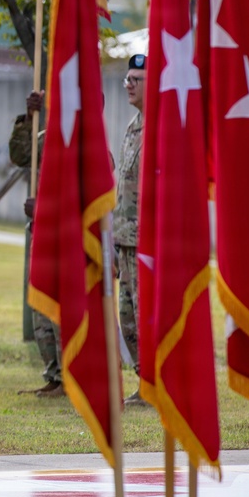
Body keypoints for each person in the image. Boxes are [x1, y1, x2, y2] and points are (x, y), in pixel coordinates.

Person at [8, 90, 65, 398]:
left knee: (61, 308)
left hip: (66, 239)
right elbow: (19, 155)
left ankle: (69, 377)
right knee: (41, 305)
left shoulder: (85, 145)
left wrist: (42, 208)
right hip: (42, 235)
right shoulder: (44, 140)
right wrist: (29, 118)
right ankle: (54, 374)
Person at [115, 54, 147, 407]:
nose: (129, 85)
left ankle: (156, 386)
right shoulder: (132, 126)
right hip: (125, 239)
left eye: (136, 79)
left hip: (147, 243)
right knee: (128, 319)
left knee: (146, 316)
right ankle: (145, 382)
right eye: (127, 79)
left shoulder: (163, 129)